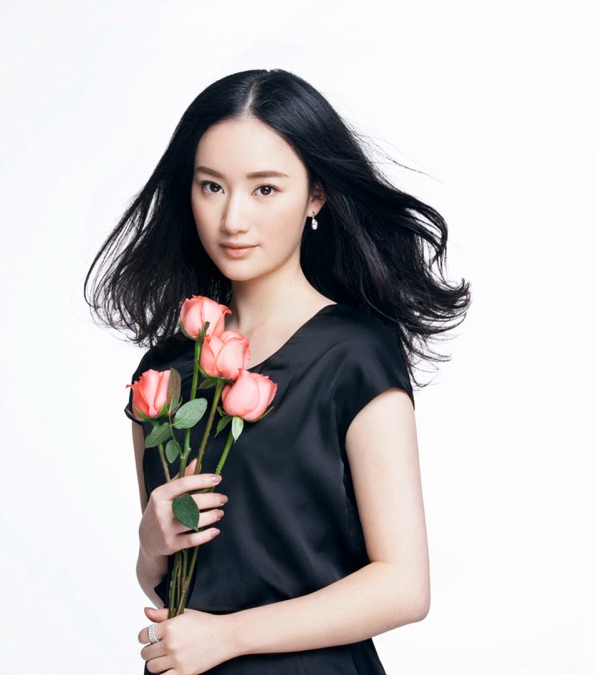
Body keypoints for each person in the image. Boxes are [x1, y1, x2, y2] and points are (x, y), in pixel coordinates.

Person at [85, 69, 470, 674]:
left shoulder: (355, 353)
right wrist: (151, 545)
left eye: (265, 189)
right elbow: (178, 581)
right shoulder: (163, 374)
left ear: (315, 196)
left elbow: (403, 586)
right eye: (211, 186)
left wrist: (230, 636)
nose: (233, 218)